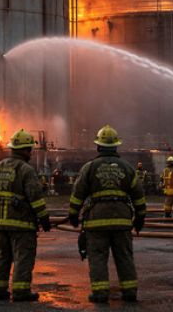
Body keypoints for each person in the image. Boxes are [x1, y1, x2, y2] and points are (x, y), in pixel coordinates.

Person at [69, 125, 145, 303]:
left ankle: (100, 293)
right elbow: (138, 195)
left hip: (97, 221)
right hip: (121, 221)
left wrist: (73, 214)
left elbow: (78, 193)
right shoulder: (127, 168)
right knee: (124, 257)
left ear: (98, 146)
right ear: (116, 146)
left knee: (97, 257)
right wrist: (140, 217)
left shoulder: (90, 167)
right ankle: (130, 292)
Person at [0, 129, 51, 302]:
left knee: (1, 257)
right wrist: (44, 219)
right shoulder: (26, 170)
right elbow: (35, 197)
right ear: (25, 150)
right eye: (29, 150)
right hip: (21, 224)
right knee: (23, 258)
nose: (30, 153)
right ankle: (21, 292)